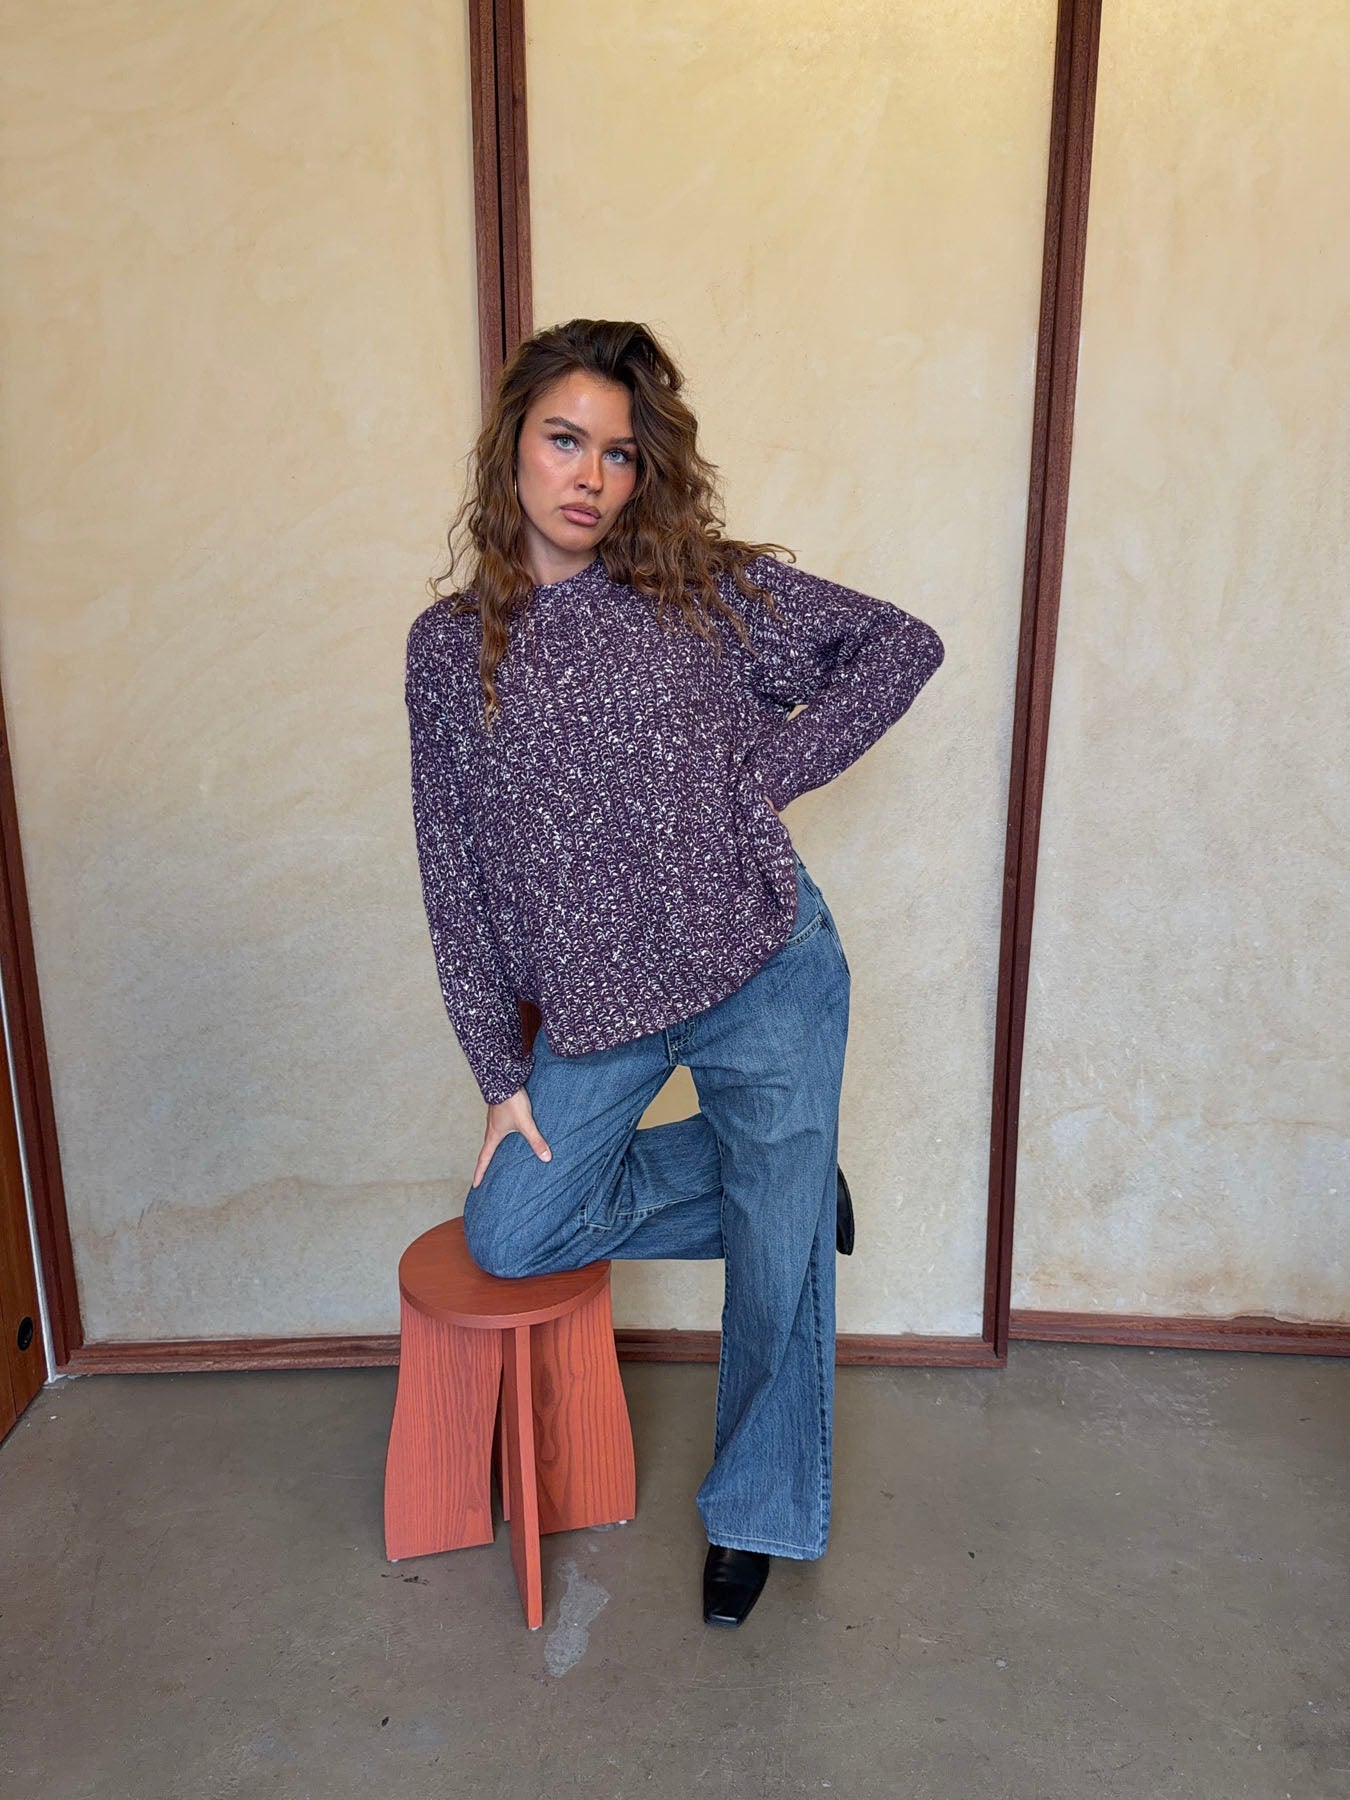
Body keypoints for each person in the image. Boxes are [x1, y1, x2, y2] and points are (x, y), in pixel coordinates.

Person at [404, 318, 944, 1628]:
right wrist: (495, 1068)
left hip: (764, 964)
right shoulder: (448, 647)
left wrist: (762, 778)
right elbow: (451, 868)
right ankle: (786, 1184)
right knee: (515, 1229)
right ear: (513, 447)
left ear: (645, 472)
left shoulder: (700, 592)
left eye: (619, 454)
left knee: (774, 1264)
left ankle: (754, 1514)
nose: (588, 476)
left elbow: (900, 645)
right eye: (564, 441)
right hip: (599, 1008)